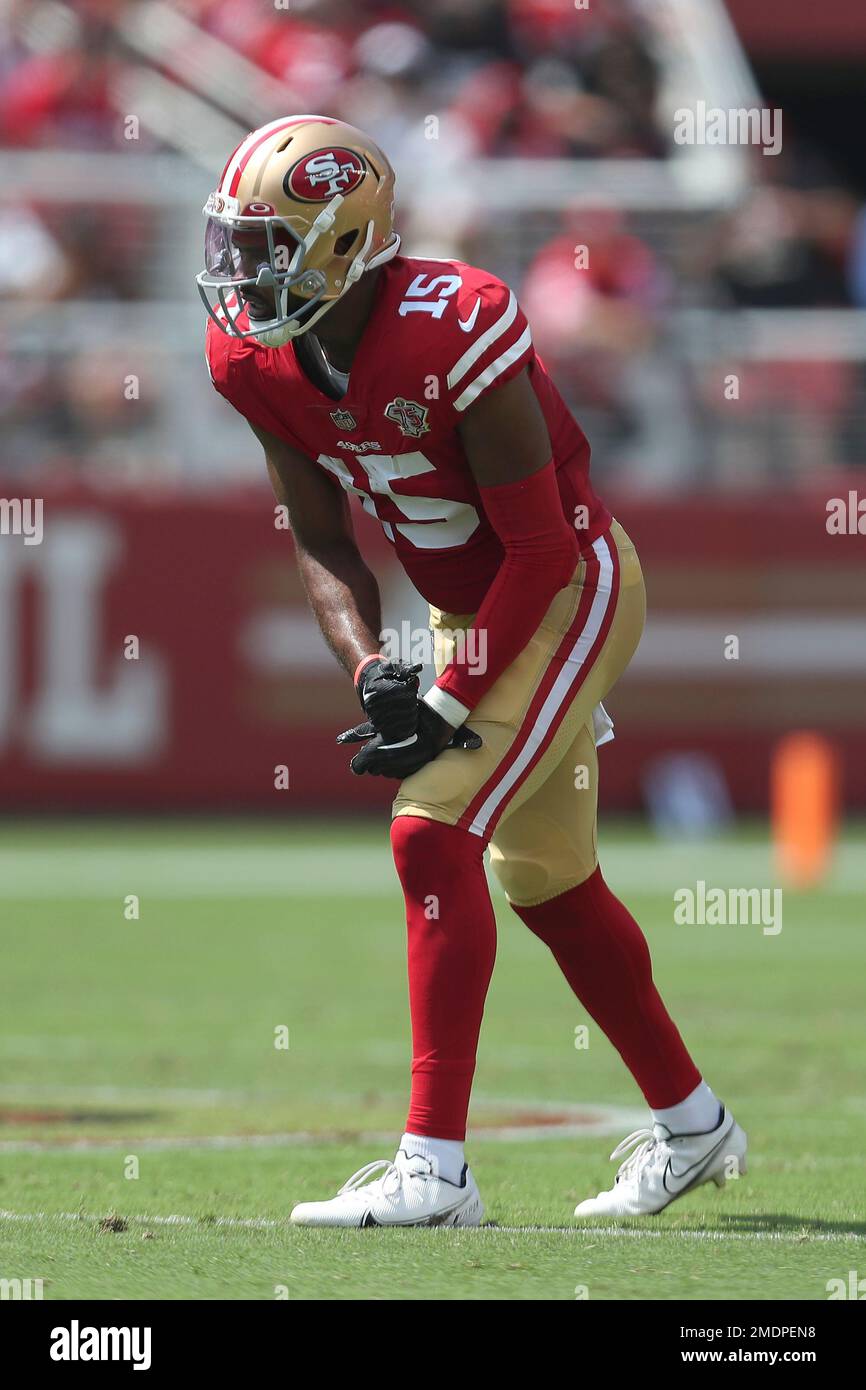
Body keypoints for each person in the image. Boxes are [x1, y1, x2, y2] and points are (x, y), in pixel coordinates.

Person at [199, 115, 746, 1227]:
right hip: (472, 610)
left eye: (271, 248)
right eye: (238, 245)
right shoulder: (252, 360)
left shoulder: (453, 323)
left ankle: (434, 1172)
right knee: (545, 878)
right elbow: (321, 539)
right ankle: (695, 1127)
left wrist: (448, 699)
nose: (244, 273)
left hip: (573, 588)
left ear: (347, 244)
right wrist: (372, 674)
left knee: (428, 826)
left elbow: (542, 550)